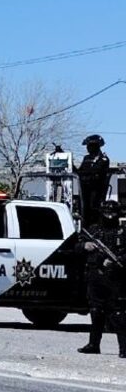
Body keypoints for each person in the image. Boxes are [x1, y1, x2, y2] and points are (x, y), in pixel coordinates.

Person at [78, 199, 126, 356]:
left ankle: (124, 348)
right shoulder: (94, 231)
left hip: (115, 277)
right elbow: (76, 247)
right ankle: (93, 344)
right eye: (107, 212)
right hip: (95, 276)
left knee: (117, 313)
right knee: (96, 311)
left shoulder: (123, 231)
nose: (110, 216)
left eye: (113, 212)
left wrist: (114, 261)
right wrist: (85, 246)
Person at [77, 134, 111, 228]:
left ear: (96, 146)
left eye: (90, 146)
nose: (88, 148)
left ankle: (94, 227)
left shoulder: (103, 159)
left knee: (93, 208)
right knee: (82, 209)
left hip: (96, 190)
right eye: (87, 146)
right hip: (84, 189)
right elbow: (80, 171)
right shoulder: (86, 158)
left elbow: (96, 172)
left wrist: (84, 173)